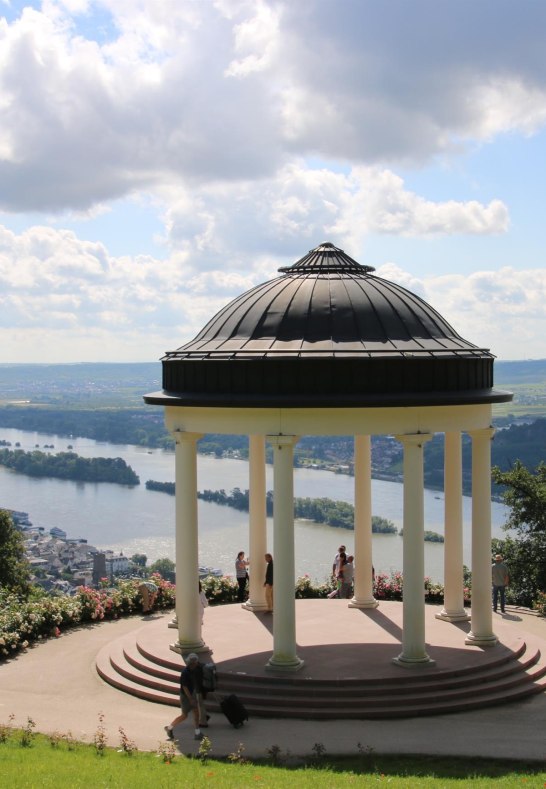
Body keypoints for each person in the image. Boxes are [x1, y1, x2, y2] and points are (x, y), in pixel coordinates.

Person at [165, 653, 207, 742]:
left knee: (196, 713)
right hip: (185, 697)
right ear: (193, 663)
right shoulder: (185, 672)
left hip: (193, 694)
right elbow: (184, 687)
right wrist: (190, 699)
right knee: (184, 715)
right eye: (196, 662)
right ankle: (169, 728)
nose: (197, 663)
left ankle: (197, 733)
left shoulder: (196, 668)